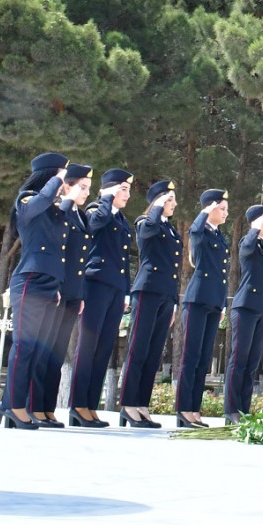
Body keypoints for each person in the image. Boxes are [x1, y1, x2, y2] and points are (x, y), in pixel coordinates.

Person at [0, 151, 69, 430]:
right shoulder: (27, 198)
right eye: (60, 176)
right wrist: (56, 182)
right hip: (29, 281)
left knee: (37, 348)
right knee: (24, 346)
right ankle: (15, 408)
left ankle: (18, 405)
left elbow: (58, 246)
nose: (63, 183)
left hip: (49, 283)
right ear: (49, 175)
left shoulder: (53, 208)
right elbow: (35, 205)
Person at [68, 168, 135, 427]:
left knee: (104, 348)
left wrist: (126, 291)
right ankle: (77, 405)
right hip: (95, 287)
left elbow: (123, 259)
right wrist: (106, 198)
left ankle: (89, 406)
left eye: (128, 191)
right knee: (88, 347)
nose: (127, 195)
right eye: (123, 190)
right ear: (108, 190)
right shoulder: (97, 210)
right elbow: (94, 226)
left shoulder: (120, 219)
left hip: (116, 290)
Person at [118, 179, 181, 428]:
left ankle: (141, 404)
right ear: (156, 202)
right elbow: (146, 233)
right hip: (147, 291)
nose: (173, 204)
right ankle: (128, 404)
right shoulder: (146, 222)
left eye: (174, 200)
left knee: (154, 353)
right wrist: (155, 207)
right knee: (138, 349)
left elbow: (174, 269)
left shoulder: (170, 229)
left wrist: (174, 301)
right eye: (168, 200)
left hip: (165, 295)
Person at [34, 162, 92, 427]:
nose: (87, 193)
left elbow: (81, 259)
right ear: (67, 186)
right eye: (82, 187)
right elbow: (58, 252)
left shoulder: (81, 215)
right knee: (44, 351)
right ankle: (34, 406)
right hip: (56, 289)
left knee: (57, 354)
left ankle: (47, 408)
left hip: (71, 292)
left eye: (89, 188)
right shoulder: (60, 210)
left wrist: (79, 295)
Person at [175, 188, 231, 429]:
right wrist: (204, 212)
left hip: (213, 301)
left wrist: (222, 304)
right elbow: (194, 232)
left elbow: (222, 274)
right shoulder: (201, 231)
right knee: (191, 357)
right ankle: (183, 410)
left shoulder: (218, 236)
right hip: (197, 300)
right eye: (222, 208)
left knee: (203, 360)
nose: (226, 213)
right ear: (210, 208)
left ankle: (194, 409)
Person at [225, 204, 263, 422]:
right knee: (239, 360)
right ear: (256, 223)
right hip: (245, 307)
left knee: (252, 363)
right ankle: (231, 409)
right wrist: (255, 228)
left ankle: (244, 409)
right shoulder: (249, 242)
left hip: (261, 309)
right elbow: (245, 248)